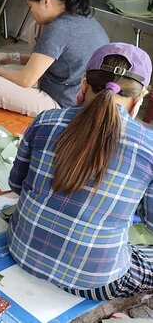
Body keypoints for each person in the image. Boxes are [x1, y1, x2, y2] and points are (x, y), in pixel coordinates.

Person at [8, 42, 153, 300]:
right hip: (95, 283)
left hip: (22, 252)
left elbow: (17, 185)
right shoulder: (149, 147)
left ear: (83, 86)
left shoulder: (46, 120)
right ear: (138, 101)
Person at [0, 0, 109, 117]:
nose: (31, 11)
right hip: (84, 100)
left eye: (30, 6)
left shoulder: (58, 29)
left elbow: (25, 80)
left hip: (65, 106)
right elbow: (49, 59)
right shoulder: (83, 18)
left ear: (45, 1)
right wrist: (10, 57)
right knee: (35, 27)